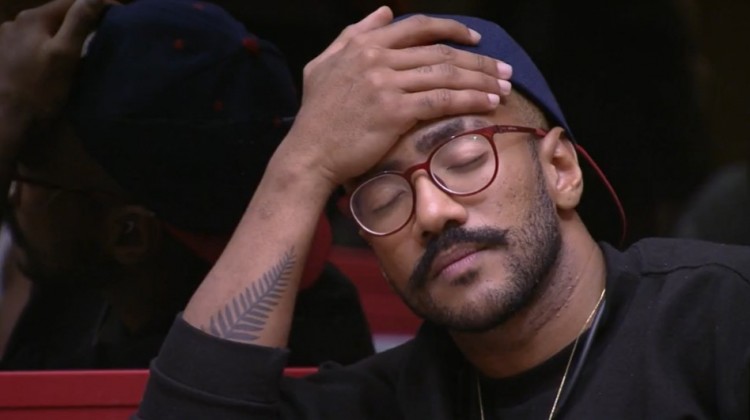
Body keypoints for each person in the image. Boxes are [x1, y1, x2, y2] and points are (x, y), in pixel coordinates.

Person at [135, 7, 750, 420]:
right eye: (384, 197)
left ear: (561, 170)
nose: (431, 211)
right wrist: (300, 167)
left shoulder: (721, 317)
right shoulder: (386, 401)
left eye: (463, 158)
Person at [0, 0, 376, 369]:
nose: (13, 197)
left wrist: (9, 111)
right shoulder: (320, 303)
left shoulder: (138, 380)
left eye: (23, 175)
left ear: (129, 234)